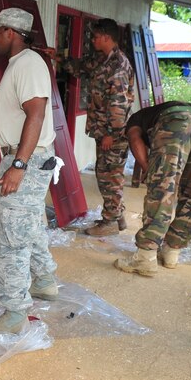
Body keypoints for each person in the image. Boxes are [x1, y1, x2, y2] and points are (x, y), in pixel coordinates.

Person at [0, 8, 59, 334]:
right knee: (28, 225)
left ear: (10, 32)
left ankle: (15, 313)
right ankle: (45, 280)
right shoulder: (19, 66)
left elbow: (36, 114)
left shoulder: (30, 64)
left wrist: (19, 164)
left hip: (27, 162)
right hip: (29, 160)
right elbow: (0, 113)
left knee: (11, 239)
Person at [115, 101, 191, 276]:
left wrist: (148, 169)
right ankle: (172, 251)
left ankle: (146, 257)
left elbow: (134, 139)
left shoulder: (135, 119)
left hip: (177, 125)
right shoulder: (156, 112)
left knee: (162, 191)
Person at [57, 18, 135, 236]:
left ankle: (110, 222)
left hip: (113, 133)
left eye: (96, 36)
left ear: (106, 37)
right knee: (110, 174)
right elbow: (82, 68)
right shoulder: (104, 60)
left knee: (109, 176)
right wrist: (57, 57)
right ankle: (117, 216)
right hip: (105, 131)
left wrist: (111, 134)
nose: (92, 40)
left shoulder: (118, 66)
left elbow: (119, 104)